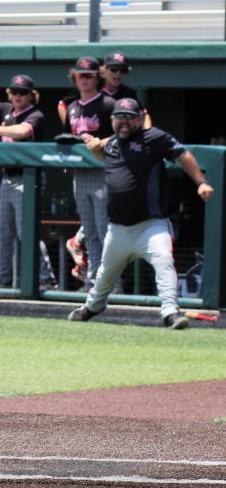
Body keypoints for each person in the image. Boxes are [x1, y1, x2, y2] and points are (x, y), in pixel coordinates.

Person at [68, 98, 215, 329]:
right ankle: (92, 307)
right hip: (118, 229)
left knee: (164, 261)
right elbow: (103, 151)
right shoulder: (112, 143)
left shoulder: (154, 137)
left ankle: (170, 313)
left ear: (139, 119)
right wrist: (96, 148)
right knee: (105, 275)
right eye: (120, 117)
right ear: (112, 120)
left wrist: (201, 182)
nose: (124, 121)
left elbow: (182, 155)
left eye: (129, 117)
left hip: (151, 225)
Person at [0, 75, 56, 289]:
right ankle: (2, 278)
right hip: (7, 178)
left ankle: (45, 280)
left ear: (31, 95)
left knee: (26, 231)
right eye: (14, 91)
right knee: (2, 232)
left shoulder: (35, 114)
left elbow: (22, 131)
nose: (18, 96)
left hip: (28, 178)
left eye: (23, 92)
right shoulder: (5, 109)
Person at [61, 56, 116, 290]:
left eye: (88, 75)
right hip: (80, 174)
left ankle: (113, 283)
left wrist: (100, 141)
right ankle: (94, 280)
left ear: (97, 78)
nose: (83, 79)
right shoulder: (72, 107)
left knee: (105, 231)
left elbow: (123, 134)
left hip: (102, 172)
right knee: (90, 231)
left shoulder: (108, 103)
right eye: (80, 75)